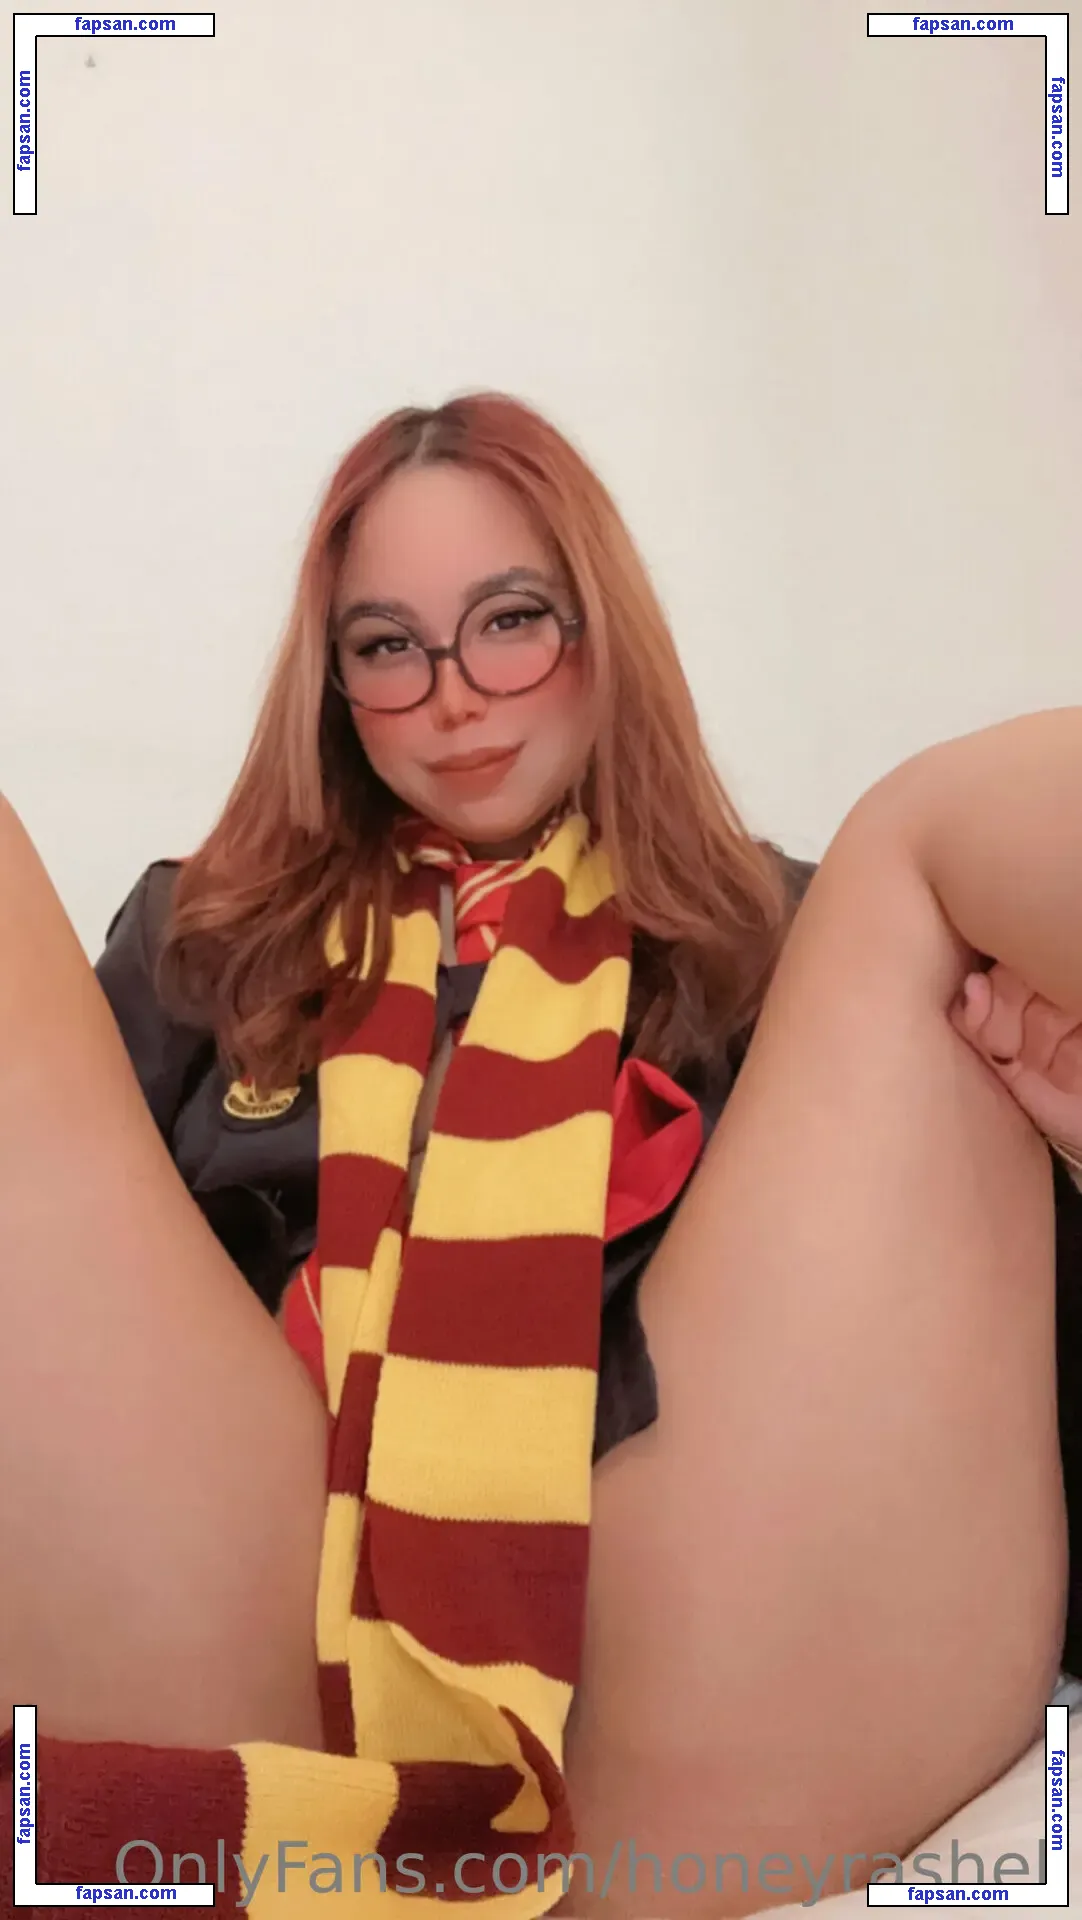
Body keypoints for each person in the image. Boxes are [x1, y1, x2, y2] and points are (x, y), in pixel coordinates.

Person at [3, 391, 1082, 1920]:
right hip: (245, 1631)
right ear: (335, 685)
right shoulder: (202, 937)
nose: (454, 697)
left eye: (510, 621)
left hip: (687, 1659)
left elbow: (953, 1414)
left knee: (931, 826)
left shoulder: (788, 944)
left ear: (601, 626)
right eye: (388, 646)